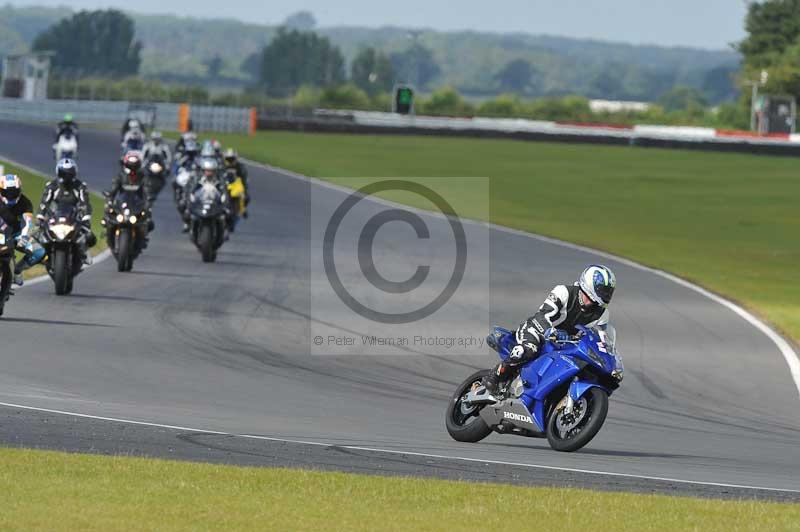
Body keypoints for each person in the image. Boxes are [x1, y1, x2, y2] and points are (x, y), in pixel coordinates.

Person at [483, 265, 617, 396]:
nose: (606, 294)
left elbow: (601, 339)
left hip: (565, 344)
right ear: (590, 284)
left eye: (609, 291)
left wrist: (610, 359)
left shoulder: (602, 314)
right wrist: (550, 332)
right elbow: (542, 315)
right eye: (603, 289)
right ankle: (494, 376)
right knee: (528, 350)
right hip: (537, 330)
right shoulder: (564, 292)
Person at [38, 159, 96, 266]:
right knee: (37, 234)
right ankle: (43, 255)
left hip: (73, 216)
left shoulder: (80, 186)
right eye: (64, 173)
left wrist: (86, 218)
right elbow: (44, 202)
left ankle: (84, 252)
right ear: (58, 172)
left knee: (90, 236)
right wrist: (40, 217)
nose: (66, 176)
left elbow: (85, 203)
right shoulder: (52, 186)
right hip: (55, 216)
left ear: (74, 173)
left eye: (69, 173)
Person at [0, 174, 45, 287]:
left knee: (39, 252)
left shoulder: (25, 203)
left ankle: (17, 271)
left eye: (14, 192)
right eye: (7, 192)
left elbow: (28, 222)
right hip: (1, 234)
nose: (10, 196)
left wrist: (24, 237)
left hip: (17, 234)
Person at [223, 148, 250, 215]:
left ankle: (242, 209)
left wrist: (245, 189)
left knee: (246, 197)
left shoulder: (240, 166)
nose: (230, 161)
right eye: (228, 159)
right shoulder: (222, 166)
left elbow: (244, 178)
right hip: (224, 184)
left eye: (231, 159)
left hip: (236, 184)